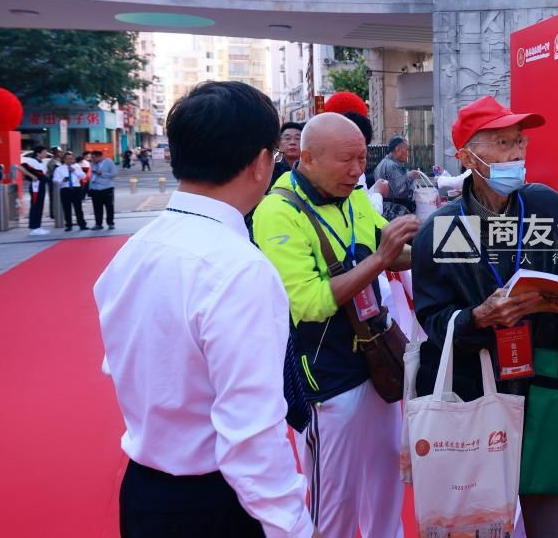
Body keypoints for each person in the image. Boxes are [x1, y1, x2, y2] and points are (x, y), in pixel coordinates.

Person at [93, 81, 317, 538]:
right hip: (216, 503)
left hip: (144, 493)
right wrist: (292, 525)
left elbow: (120, 365)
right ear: (260, 162)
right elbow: (252, 432)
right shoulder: (239, 268)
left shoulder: (134, 250)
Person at [412, 95, 558, 538]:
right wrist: (478, 317)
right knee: (478, 520)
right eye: (502, 143)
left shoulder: (547, 207)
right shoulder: (444, 228)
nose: (516, 153)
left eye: (519, 141)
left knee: (555, 521)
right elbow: (433, 318)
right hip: (476, 393)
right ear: (466, 157)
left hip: (546, 386)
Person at [253, 112, 418, 538]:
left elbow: (390, 249)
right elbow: (309, 303)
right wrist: (380, 259)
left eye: (362, 158)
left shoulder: (353, 195)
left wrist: (436, 247)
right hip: (325, 372)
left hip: (377, 358)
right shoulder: (277, 210)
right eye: (347, 160)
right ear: (306, 158)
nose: (357, 171)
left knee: (387, 478)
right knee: (334, 500)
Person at [374, 136, 422, 220]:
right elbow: (401, 192)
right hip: (393, 212)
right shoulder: (392, 166)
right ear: (398, 149)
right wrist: (410, 176)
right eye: (406, 149)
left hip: (385, 210)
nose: (407, 153)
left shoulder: (382, 163)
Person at [52, 151, 88, 231]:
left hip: (76, 188)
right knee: (67, 208)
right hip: (65, 189)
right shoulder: (59, 169)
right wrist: (62, 180)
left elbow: (83, 176)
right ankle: (69, 225)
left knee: (78, 208)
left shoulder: (77, 166)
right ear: (64, 159)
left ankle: (82, 224)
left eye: (71, 159)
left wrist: (74, 171)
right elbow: (55, 179)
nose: (69, 160)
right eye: (67, 159)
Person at [21, 146, 50, 236]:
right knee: (35, 206)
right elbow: (20, 167)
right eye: (44, 152)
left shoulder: (42, 162)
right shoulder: (31, 161)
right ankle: (33, 227)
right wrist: (31, 176)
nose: (46, 154)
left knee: (40, 206)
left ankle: (38, 226)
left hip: (41, 186)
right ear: (38, 153)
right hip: (35, 187)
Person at [88, 150, 118, 230]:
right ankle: (98, 224)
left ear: (100, 156)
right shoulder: (93, 164)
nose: (92, 159)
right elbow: (91, 176)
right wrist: (90, 188)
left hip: (107, 188)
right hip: (95, 189)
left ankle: (110, 223)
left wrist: (102, 174)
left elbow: (114, 174)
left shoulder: (109, 162)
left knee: (109, 207)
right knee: (97, 208)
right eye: (91, 158)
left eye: (94, 158)